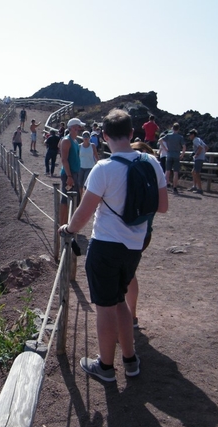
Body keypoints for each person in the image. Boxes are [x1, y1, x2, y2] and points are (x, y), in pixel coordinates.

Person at [58, 109, 168, 382]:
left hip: (106, 246)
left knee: (105, 307)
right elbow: (162, 206)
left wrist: (68, 229)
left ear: (104, 136)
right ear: (132, 134)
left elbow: (84, 212)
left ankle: (105, 367)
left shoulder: (104, 169)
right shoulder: (151, 162)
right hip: (134, 247)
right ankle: (130, 360)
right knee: (120, 301)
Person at [125, 141, 158, 329]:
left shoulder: (128, 169)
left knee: (125, 275)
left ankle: (127, 319)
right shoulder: (153, 170)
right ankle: (132, 316)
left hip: (128, 233)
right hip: (144, 233)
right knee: (130, 273)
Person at [59, 118, 86, 225]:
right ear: (73, 128)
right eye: (78, 127)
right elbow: (64, 159)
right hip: (68, 174)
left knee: (75, 199)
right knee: (66, 199)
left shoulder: (74, 141)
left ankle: (69, 222)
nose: (79, 129)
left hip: (74, 173)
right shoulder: (66, 140)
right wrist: (69, 176)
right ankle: (62, 223)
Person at [163, 123, 187, 194]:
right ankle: (175, 187)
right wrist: (182, 154)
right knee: (176, 172)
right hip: (176, 155)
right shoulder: (180, 137)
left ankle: (165, 185)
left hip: (169, 154)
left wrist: (165, 148)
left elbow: (160, 140)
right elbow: (184, 147)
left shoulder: (168, 136)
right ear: (178, 129)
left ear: (172, 128)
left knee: (167, 171)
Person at [187, 129, 208, 194]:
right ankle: (194, 186)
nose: (189, 137)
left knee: (196, 173)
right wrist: (202, 154)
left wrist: (197, 154)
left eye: (190, 135)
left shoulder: (195, 140)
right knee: (193, 172)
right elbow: (206, 147)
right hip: (201, 158)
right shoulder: (199, 139)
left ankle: (200, 189)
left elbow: (200, 147)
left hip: (198, 159)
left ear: (193, 135)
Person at [78, 130, 99, 198]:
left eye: (87, 136)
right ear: (82, 137)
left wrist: (99, 165)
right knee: (80, 184)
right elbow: (77, 157)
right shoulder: (80, 146)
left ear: (89, 137)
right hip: (81, 167)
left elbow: (96, 156)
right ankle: (81, 197)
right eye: (84, 136)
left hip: (89, 167)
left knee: (85, 184)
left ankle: (84, 198)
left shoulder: (92, 146)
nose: (86, 137)